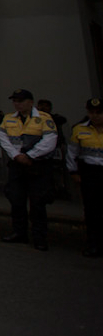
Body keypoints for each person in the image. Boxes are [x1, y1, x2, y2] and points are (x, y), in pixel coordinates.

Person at [0, 89, 58, 251]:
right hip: (17, 164)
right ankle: (19, 232)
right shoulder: (9, 119)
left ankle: (39, 237)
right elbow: (3, 138)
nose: (17, 104)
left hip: (36, 165)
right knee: (16, 200)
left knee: (37, 202)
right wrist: (16, 156)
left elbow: (50, 141)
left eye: (21, 101)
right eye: (15, 101)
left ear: (31, 102)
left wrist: (30, 155)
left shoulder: (44, 119)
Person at [69, 98, 103, 257]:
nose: (95, 116)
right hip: (90, 173)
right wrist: (73, 172)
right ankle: (94, 244)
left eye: (99, 113)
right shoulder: (79, 129)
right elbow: (72, 153)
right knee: (92, 210)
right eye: (92, 112)